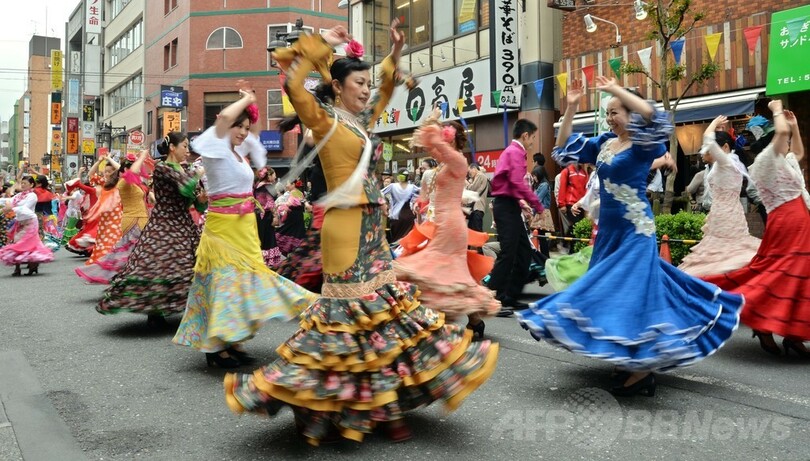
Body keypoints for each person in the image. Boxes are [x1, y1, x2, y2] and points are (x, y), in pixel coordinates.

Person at [223, 22, 498, 445]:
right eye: (359, 83)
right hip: (344, 228)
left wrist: (396, 52)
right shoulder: (323, 119)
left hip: (373, 227)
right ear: (336, 86)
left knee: (383, 319)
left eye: (367, 83)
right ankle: (329, 404)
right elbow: (295, 81)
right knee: (347, 322)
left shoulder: (360, 120)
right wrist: (325, 45)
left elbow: (386, 89)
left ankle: (384, 404)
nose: (367, 90)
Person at [516, 77, 742, 396]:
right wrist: (568, 109)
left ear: (631, 114)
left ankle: (642, 369)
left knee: (632, 293)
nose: (610, 118)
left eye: (616, 112)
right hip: (609, 232)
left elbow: (655, 116)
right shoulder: (606, 144)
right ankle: (630, 358)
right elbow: (562, 149)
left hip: (636, 231)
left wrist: (617, 90)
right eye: (607, 113)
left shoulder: (642, 143)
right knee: (609, 293)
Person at [172, 82, 316, 368]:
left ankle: (231, 341)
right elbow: (225, 119)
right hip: (223, 228)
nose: (242, 132)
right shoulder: (214, 147)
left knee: (243, 283)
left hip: (244, 227)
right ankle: (216, 347)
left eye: (246, 128)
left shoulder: (239, 154)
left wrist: (254, 110)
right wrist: (247, 99)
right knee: (225, 283)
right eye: (239, 126)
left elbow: (254, 136)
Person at [703, 105, 810, 357]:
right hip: (787, 221)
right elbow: (782, 136)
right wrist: (776, 109)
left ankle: (793, 334)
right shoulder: (765, 161)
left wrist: (793, 127)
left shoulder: (782, 160)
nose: (785, 142)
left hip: (798, 220)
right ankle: (766, 324)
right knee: (783, 274)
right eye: (781, 138)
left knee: (797, 275)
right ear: (771, 142)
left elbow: (798, 152)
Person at [394, 113, 500, 338]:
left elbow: (433, 144)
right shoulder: (448, 159)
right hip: (443, 220)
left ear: (451, 137)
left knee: (439, 269)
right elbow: (432, 148)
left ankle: (436, 321)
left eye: (445, 134)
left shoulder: (458, 160)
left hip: (450, 223)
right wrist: (430, 125)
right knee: (452, 272)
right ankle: (474, 319)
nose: (443, 138)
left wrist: (431, 124)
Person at [97, 132, 208, 327]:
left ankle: (183, 305)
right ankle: (155, 310)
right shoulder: (162, 168)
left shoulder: (186, 169)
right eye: (184, 146)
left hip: (184, 224)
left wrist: (201, 199)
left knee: (190, 263)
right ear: (172, 147)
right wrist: (198, 172)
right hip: (163, 224)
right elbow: (184, 187)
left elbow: (195, 201)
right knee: (159, 265)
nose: (187, 151)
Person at [678, 116, 761, 277]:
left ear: (724, 147)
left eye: (708, 150)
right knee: (729, 253)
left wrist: (713, 124)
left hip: (724, 214)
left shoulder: (726, 162)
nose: (704, 152)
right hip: (731, 212)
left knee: (722, 255)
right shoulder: (729, 163)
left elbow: (709, 140)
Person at [486, 119, 544, 315]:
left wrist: (522, 204)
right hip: (505, 207)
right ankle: (490, 300)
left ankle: (509, 296)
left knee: (523, 252)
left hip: (510, 205)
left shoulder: (513, 152)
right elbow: (517, 183)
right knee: (508, 253)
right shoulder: (515, 152)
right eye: (533, 137)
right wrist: (536, 204)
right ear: (525, 135)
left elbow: (510, 184)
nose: (533, 141)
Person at [76, 150, 151, 284]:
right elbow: (130, 172)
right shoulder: (124, 182)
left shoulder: (137, 185)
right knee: (127, 252)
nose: (139, 170)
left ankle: (131, 279)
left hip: (140, 220)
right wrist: (142, 157)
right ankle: (118, 277)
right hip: (131, 221)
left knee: (134, 252)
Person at [0, 176, 54, 275]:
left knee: (28, 243)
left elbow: (25, 208)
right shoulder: (19, 195)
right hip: (19, 221)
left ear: (31, 185)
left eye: (25, 183)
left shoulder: (32, 196)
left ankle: (32, 265)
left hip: (30, 221)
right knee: (16, 242)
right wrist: (5, 204)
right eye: (22, 183)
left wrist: (10, 208)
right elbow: (8, 201)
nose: (23, 185)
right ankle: (18, 268)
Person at [81, 157, 124, 266]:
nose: (106, 174)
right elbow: (90, 174)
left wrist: (109, 158)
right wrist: (99, 161)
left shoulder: (120, 182)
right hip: (105, 215)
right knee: (103, 238)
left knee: (115, 237)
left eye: (109, 172)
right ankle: (104, 262)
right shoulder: (104, 182)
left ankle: (114, 262)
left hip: (117, 213)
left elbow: (121, 169)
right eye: (105, 171)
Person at [253, 167, 284, 267]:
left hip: (258, 214)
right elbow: (270, 202)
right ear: (269, 175)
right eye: (274, 174)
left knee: (260, 236)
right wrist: (275, 216)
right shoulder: (268, 186)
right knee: (269, 238)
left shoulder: (257, 185)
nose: (275, 177)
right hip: (266, 215)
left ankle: (260, 258)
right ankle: (268, 260)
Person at [557, 162, 589, 253]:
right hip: (570, 204)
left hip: (580, 204)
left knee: (575, 226)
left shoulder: (584, 173)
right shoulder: (566, 171)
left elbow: (585, 189)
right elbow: (562, 188)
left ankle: (565, 243)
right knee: (576, 225)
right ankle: (571, 249)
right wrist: (562, 204)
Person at [382, 169, 419, 242]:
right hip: (409, 216)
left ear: (398, 176)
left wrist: (384, 203)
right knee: (407, 239)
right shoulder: (413, 187)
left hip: (395, 216)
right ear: (408, 177)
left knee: (395, 240)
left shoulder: (392, 186)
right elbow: (423, 193)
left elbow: (380, 193)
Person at [464, 162, 489, 232]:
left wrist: (465, 182)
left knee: (477, 230)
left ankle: (480, 243)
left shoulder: (480, 175)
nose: (469, 174)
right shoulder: (476, 177)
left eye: (469, 172)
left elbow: (472, 188)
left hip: (478, 208)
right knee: (472, 231)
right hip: (474, 209)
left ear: (474, 168)